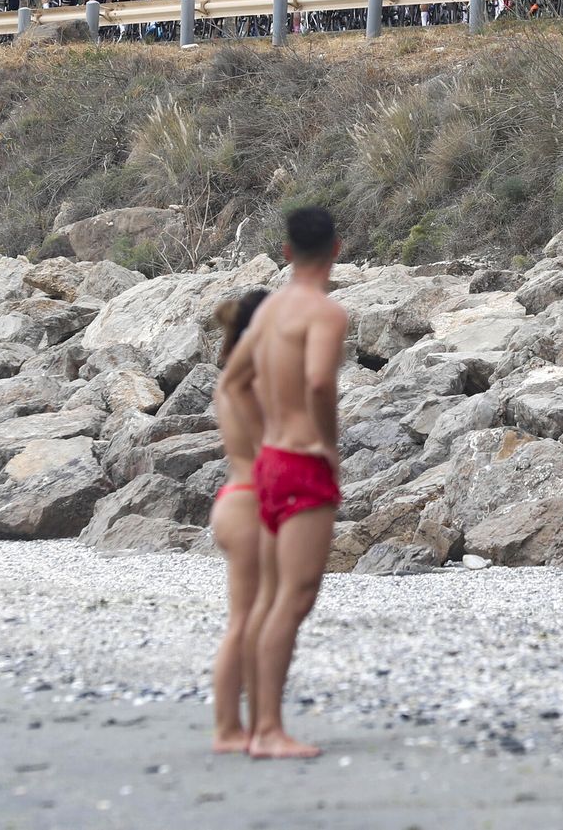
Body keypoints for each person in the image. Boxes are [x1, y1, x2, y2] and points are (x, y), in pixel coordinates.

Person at [219, 206, 348, 761]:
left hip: (268, 460)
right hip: (300, 461)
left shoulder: (268, 309)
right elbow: (320, 381)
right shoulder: (325, 312)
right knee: (293, 599)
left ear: (288, 252)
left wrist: (266, 427)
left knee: (270, 599)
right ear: (337, 249)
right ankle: (268, 729)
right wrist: (326, 442)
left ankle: (255, 727)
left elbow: (233, 380)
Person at [208, 287, 270, 755]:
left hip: (234, 496)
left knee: (246, 618)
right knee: (246, 620)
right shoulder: (251, 383)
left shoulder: (230, 380)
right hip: (250, 502)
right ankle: (229, 726)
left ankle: (240, 723)